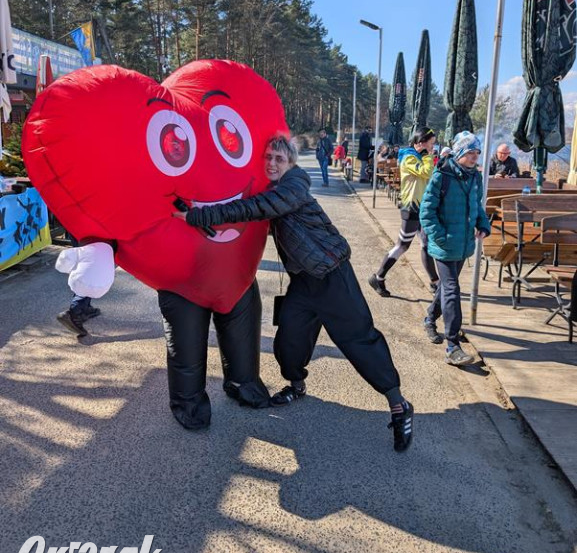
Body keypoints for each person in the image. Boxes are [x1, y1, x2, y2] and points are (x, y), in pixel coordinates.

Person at [177, 135, 414, 452]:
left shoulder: (293, 187)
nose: (272, 162)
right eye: (268, 157)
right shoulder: (275, 189)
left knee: (358, 340)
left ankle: (398, 405)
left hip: (332, 277)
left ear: (290, 163)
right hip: (304, 282)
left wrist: (198, 217)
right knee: (289, 340)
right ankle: (297, 385)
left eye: (279, 158)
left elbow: (253, 208)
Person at [420, 131, 491, 365]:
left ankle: (430, 319)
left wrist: (483, 224)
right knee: (452, 289)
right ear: (459, 152)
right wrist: (441, 236)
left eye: (477, 153)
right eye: (470, 152)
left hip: (463, 245)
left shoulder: (475, 177)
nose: (474, 157)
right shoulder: (442, 176)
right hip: (444, 245)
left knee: (446, 287)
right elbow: (426, 212)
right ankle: (452, 345)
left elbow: (477, 206)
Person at [369, 127, 438, 298]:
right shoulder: (408, 158)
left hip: (422, 207)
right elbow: (426, 172)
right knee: (402, 245)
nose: (433, 147)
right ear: (421, 142)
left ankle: (435, 281)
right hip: (411, 208)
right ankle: (378, 277)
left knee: (426, 244)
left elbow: (431, 175)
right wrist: (430, 155)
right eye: (431, 143)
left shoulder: (421, 157)